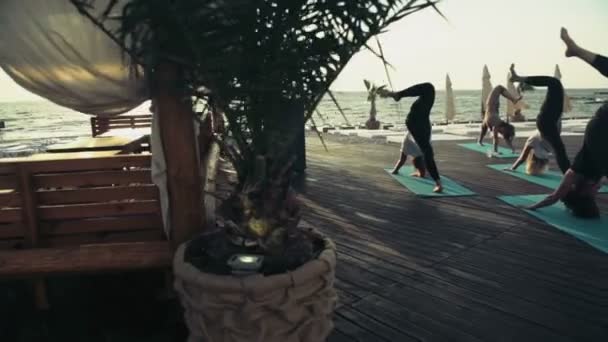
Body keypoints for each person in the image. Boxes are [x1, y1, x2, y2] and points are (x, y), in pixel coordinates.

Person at [525, 29, 608, 218]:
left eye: (592, 196)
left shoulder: (576, 174)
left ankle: (576, 50)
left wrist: (531, 208)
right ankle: (576, 50)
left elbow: (554, 197)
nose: (597, 193)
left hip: (602, 127)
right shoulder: (590, 177)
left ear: (582, 194)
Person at [379, 83, 443, 193]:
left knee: (429, 87)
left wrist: (390, 94)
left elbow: (403, 159)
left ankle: (438, 183)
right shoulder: (415, 147)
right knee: (429, 87)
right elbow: (407, 159)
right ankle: (438, 183)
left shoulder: (410, 145)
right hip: (420, 123)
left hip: (416, 124)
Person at [508, 64, 571, 174]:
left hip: (549, 121)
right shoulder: (535, 144)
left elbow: (522, 158)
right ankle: (569, 176)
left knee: (554, 83)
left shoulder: (544, 149)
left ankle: (569, 176)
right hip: (548, 121)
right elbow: (522, 158)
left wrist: (513, 168)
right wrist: (513, 167)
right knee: (554, 83)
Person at [478, 85, 521, 154]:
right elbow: (498, 138)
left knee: (499, 87)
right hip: (492, 110)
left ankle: (479, 141)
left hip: (491, 107)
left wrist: (513, 149)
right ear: (504, 129)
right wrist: (512, 149)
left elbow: (499, 138)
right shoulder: (498, 124)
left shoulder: (499, 126)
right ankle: (513, 100)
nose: (501, 133)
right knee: (484, 127)